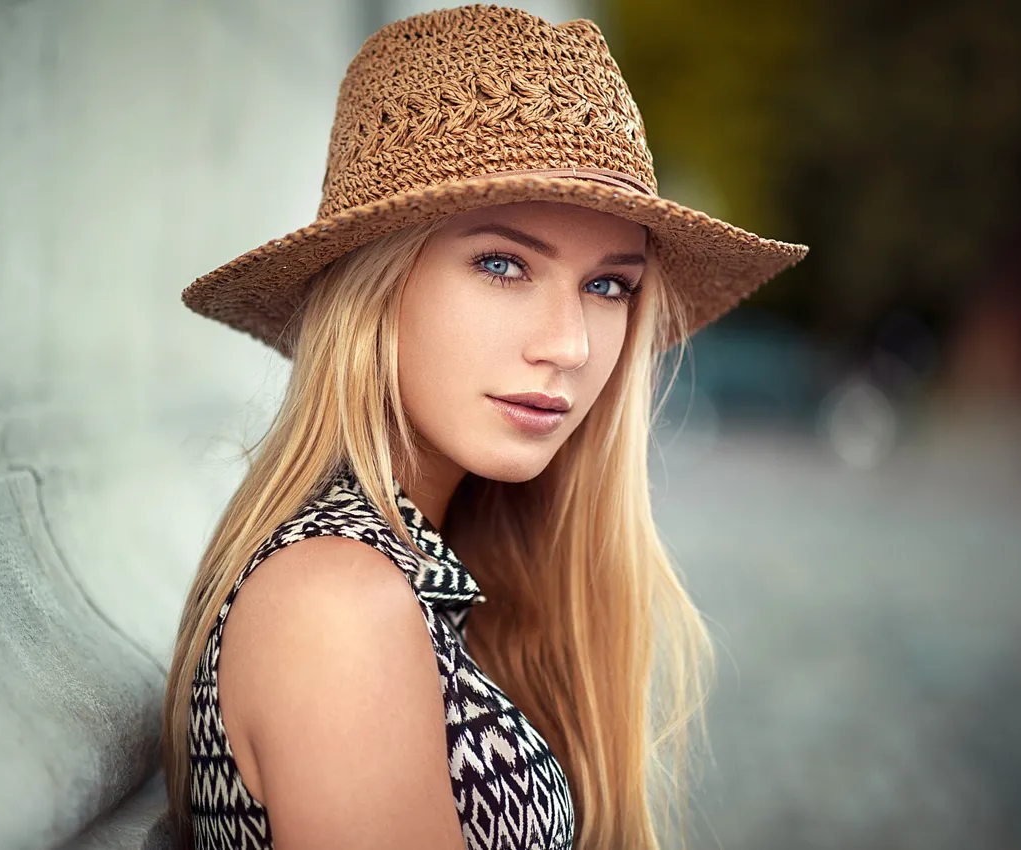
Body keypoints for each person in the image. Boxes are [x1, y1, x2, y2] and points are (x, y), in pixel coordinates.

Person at [161, 5, 807, 849]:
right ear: (375, 288)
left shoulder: (437, 564)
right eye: (502, 265)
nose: (570, 346)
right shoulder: (336, 604)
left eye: (610, 286)